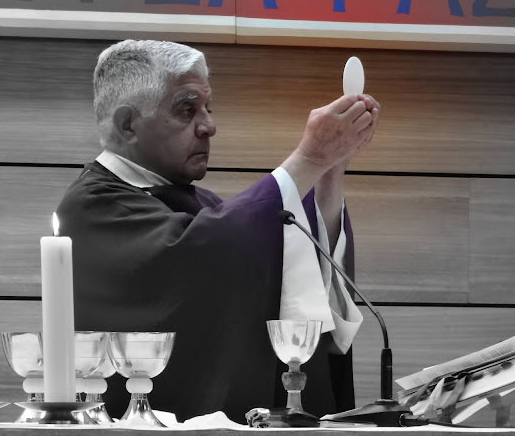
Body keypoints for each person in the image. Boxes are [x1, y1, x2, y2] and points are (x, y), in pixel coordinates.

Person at [57, 39, 380, 423]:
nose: (209, 126)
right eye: (187, 109)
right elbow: (205, 258)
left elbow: (290, 264)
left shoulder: (202, 203)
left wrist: (329, 171)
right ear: (128, 124)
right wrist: (310, 157)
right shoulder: (91, 206)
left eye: (208, 108)